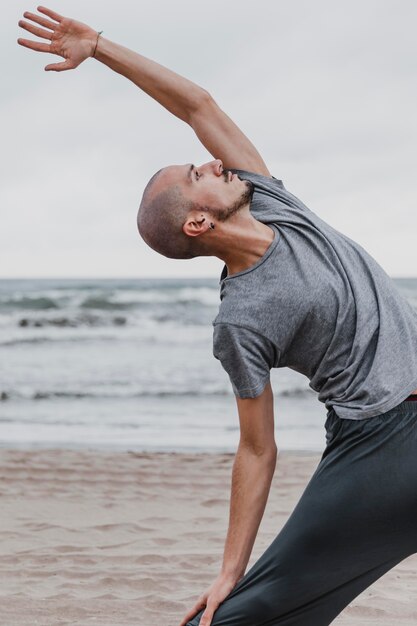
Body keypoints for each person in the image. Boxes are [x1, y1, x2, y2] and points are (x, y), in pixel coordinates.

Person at [18, 7, 417, 626]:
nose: (207, 161)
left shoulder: (275, 203)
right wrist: (230, 571)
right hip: (383, 445)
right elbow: (256, 448)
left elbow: (198, 105)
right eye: (193, 174)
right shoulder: (242, 320)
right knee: (254, 610)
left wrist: (98, 47)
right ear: (198, 223)